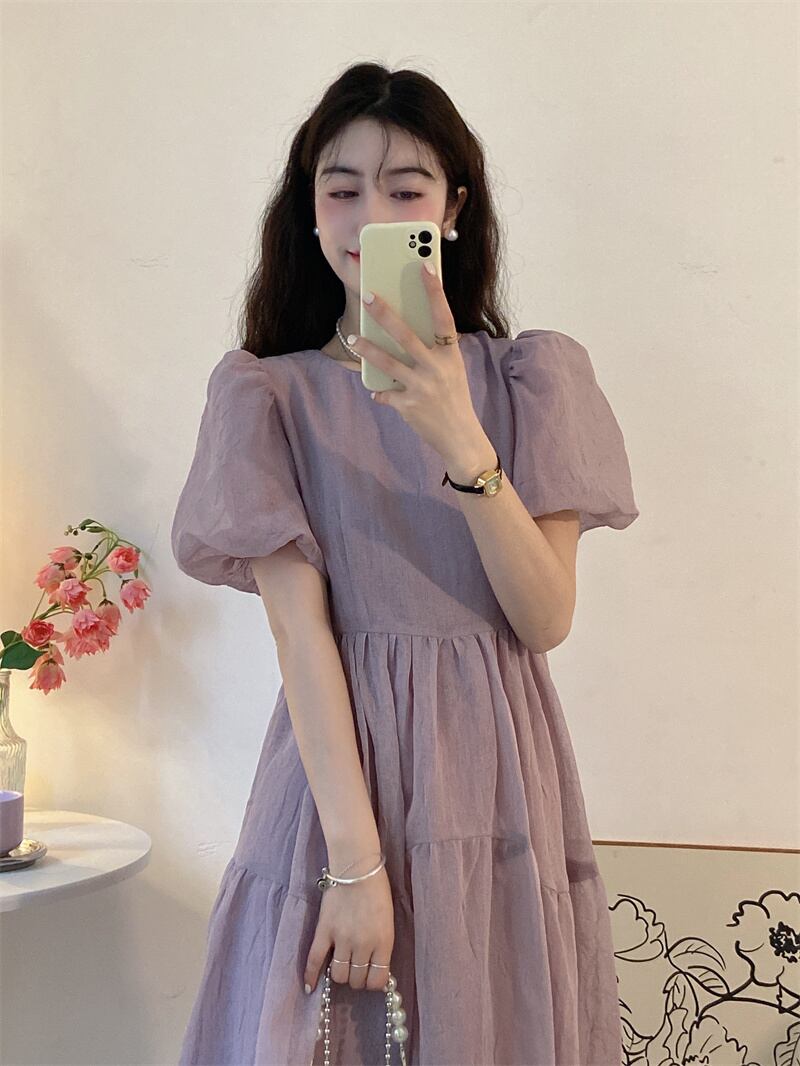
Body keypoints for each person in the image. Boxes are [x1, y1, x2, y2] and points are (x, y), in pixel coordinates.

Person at [170, 61, 640, 1066]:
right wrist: (354, 866)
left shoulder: (532, 381)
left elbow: (543, 616)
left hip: (497, 782)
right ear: (307, 209)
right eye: (340, 189)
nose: (369, 216)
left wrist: (456, 432)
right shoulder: (266, 397)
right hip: (337, 792)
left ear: (452, 209)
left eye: (405, 189)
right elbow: (300, 635)